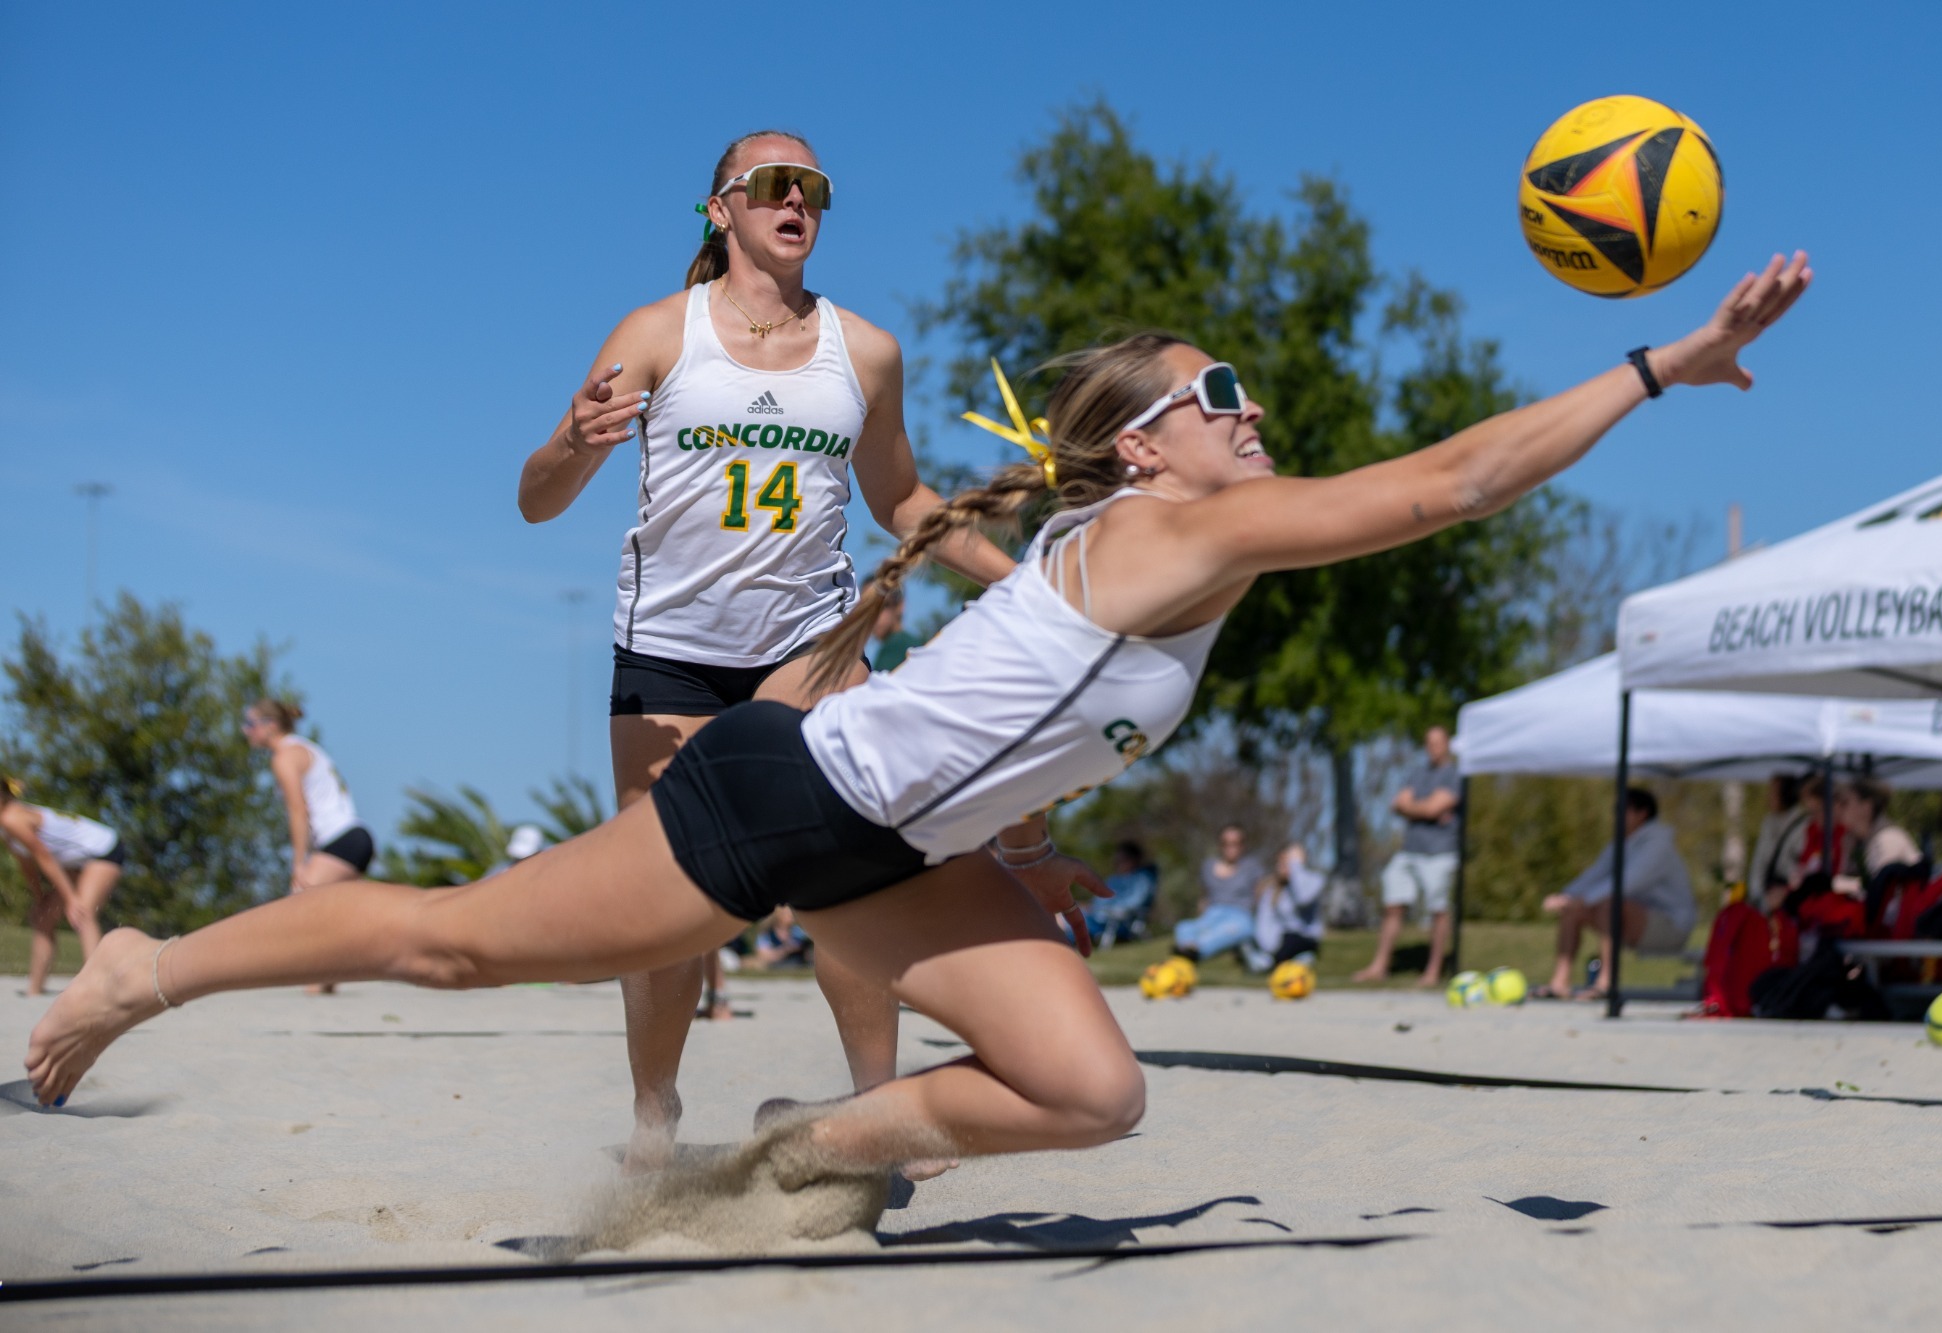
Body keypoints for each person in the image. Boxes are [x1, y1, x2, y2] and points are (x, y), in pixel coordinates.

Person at [27, 252, 1809, 1209]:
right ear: (1144, 446)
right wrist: (1661, 365)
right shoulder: (1182, 528)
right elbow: (1450, 484)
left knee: (1093, 1092)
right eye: (1220, 394)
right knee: (450, 945)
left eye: (1247, 393)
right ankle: (145, 970)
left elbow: (1020, 723)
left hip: (900, 845)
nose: (1251, 411)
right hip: (791, 800)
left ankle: (801, 1147)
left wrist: (1024, 848)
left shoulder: (1178, 544)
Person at [514, 130, 1013, 1167]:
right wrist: (570, 442)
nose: (797, 201)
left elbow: (900, 500)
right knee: (666, 908)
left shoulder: (864, 351)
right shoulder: (657, 333)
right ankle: (654, 1113)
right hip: (672, 652)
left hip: (809, 644)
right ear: (720, 210)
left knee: (851, 874)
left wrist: (1021, 581)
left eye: (814, 188)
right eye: (774, 185)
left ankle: (878, 1109)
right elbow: (536, 502)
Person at [241, 699, 373, 995]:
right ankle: (326, 983)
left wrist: (299, 862)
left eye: (250, 724)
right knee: (332, 918)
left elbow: (298, 811)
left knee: (299, 909)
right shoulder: (306, 747)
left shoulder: (285, 757)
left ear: (270, 726)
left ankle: (318, 982)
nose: (245, 730)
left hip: (341, 839)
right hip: (355, 837)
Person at [1539, 788, 1699, 1000]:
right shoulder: (1621, 844)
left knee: (1609, 905)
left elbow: (1627, 883)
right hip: (1639, 921)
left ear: (1642, 814)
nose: (1615, 815)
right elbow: (1595, 875)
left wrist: (1582, 900)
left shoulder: (1658, 845)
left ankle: (1606, 983)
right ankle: (1559, 983)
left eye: (1621, 809)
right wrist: (1566, 897)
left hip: (1671, 928)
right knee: (1572, 912)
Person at [0, 775, 123, 996]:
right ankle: (34, 991)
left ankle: (97, 988)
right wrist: (39, 898)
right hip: (73, 861)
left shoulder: (12, 818)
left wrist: (71, 899)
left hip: (102, 850)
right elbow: (26, 863)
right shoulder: (4, 825)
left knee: (82, 913)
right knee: (43, 918)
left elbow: (43, 857)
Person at [1355, 725, 1459, 986]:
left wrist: (1413, 807)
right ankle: (1379, 966)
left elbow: (1432, 807)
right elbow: (1398, 804)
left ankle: (1433, 971)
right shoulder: (1417, 773)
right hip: (1409, 850)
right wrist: (1424, 808)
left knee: (1438, 909)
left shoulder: (1454, 775)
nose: (1433, 748)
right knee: (1392, 904)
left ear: (1447, 744)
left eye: (1437, 743)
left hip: (1439, 852)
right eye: (1429, 743)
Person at [1172, 825, 1264, 963]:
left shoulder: (1251, 867)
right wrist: (1202, 917)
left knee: (1240, 929)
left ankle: (1196, 951)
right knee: (1184, 927)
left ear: (1242, 845)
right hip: (1213, 913)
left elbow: (1260, 895)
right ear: (1220, 845)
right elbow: (1204, 896)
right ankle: (1188, 947)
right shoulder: (1208, 866)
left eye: (1235, 843)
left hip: (1239, 914)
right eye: (1226, 843)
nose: (1230, 848)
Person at [1831, 778, 1922, 899]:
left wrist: (1835, 884)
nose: (1838, 808)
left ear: (1866, 807)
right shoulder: (1853, 840)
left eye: (1845, 803)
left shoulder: (1888, 839)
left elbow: (1881, 890)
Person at [1245, 842, 1326, 973]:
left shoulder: (1315, 880)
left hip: (1305, 938)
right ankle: (1270, 960)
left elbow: (1303, 898)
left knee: (1291, 939)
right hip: (1281, 941)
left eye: (1290, 861)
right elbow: (1264, 922)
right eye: (1282, 861)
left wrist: (1295, 867)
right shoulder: (1272, 889)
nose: (1284, 864)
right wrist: (1268, 948)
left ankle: (1275, 963)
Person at [1075, 840, 1157, 947]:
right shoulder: (1113, 879)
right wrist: (1089, 906)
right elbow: (1099, 899)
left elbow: (1133, 903)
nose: (1118, 864)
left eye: (1122, 860)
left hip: (1119, 922)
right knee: (1065, 913)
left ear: (1133, 860)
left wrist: (1103, 909)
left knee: (1068, 920)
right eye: (1117, 861)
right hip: (1098, 917)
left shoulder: (1142, 879)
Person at [1747, 773, 1810, 903]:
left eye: (1773, 792)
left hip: (1787, 895)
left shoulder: (1803, 825)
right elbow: (1759, 862)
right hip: (1765, 895)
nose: (1768, 797)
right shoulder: (1769, 822)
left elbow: (1799, 865)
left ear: (1786, 794)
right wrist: (1756, 894)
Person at [868, 581, 922, 672]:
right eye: (867, 609)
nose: (874, 615)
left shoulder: (895, 646)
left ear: (900, 605)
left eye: (882, 605)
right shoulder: (915, 643)